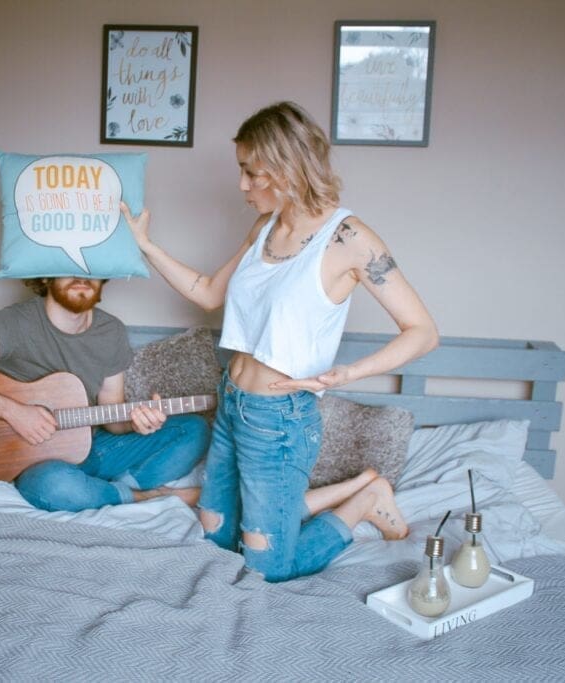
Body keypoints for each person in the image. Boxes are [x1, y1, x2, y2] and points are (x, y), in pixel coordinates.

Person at [121, 101, 439, 582]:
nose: (242, 185)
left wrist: (351, 373)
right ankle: (307, 509)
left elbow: (423, 331)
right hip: (232, 403)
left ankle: (365, 501)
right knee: (214, 538)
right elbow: (208, 292)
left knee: (267, 569)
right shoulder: (265, 228)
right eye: (241, 172)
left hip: (280, 421)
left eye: (252, 172)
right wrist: (147, 247)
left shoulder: (349, 238)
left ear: (288, 166)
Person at [0, 277, 211, 511]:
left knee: (194, 429)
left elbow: (113, 417)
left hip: (94, 448)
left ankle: (107, 489)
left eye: (90, 267)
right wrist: (13, 411)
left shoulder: (110, 332)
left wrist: (137, 423)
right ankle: (146, 497)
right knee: (54, 486)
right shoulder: (13, 324)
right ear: (46, 275)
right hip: (37, 464)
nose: (80, 276)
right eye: (67, 265)